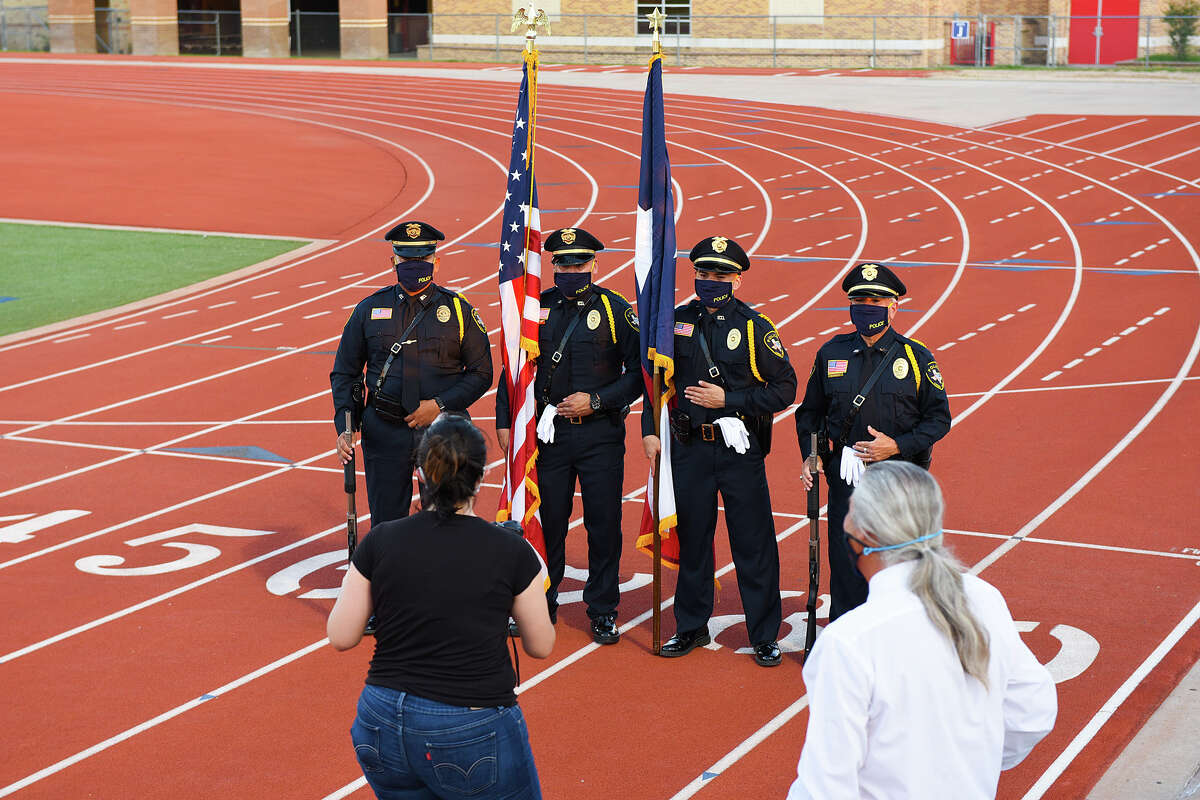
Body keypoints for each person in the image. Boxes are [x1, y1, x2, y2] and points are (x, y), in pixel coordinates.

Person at [787, 461, 1057, 799]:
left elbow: (825, 788)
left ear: (866, 534)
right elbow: (1033, 712)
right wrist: (969, 766)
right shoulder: (983, 598)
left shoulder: (850, 642)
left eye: (851, 510)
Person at [328, 414, 555, 800]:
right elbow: (540, 645)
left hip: (381, 717)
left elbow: (341, 635)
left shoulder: (382, 539)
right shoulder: (511, 551)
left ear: (421, 473)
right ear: (481, 478)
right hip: (470, 721)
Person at [642, 235, 797, 667]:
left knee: (753, 544)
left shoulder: (753, 327)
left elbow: (785, 387)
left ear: (737, 279)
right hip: (689, 448)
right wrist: (647, 430)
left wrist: (729, 401)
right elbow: (653, 383)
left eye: (720, 274)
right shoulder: (673, 323)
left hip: (738, 451)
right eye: (704, 273)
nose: (710, 281)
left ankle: (764, 634)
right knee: (694, 541)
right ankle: (690, 626)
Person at [496, 228, 641, 644]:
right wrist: (505, 419)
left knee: (604, 525)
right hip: (548, 437)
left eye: (579, 263)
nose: (571, 270)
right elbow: (515, 367)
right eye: (562, 263)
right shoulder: (535, 309)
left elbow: (637, 376)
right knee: (547, 522)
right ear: (552, 265)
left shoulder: (615, 310)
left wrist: (596, 401)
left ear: (595, 264)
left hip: (600, 436)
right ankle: (542, 602)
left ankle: (602, 610)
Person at [794, 262, 950, 621]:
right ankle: (847, 636)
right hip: (845, 478)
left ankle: (897, 641)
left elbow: (939, 419)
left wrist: (896, 446)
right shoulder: (831, 353)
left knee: (897, 563)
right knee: (846, 561)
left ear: (894, 307)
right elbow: (810, 413)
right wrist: (812, 455)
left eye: (877, 300)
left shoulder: (915, 357)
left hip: (898, 480)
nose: (868, 307)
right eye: (860, 299)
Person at [331, 221, 493, 526]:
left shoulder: (459, 310)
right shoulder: (368, 309)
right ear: (394, 260)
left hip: (442, 432)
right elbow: (345, 372)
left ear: (436, 261)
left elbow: (482, 372)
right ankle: (391, 575)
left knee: (447, 521)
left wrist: (440, 405)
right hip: (384, 430)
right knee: (387, 524)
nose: (414, 265)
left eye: (422, 259)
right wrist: (345, 423)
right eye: (406, 259)